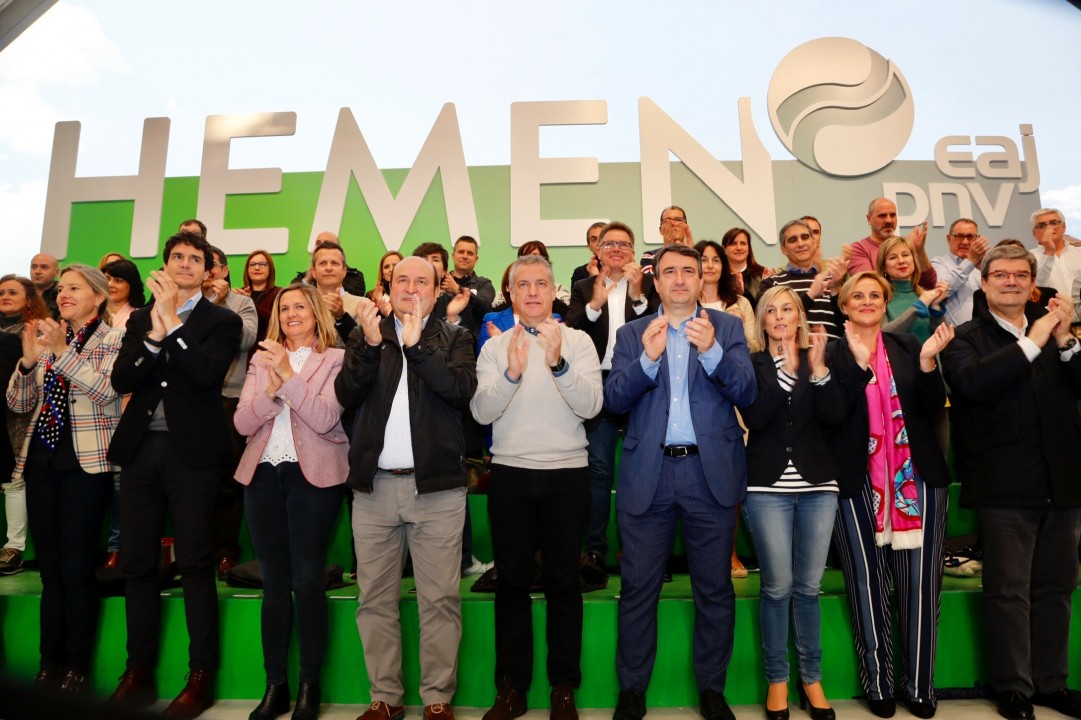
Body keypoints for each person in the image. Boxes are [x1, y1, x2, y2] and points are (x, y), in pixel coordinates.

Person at [604, 244, 755, 720]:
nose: (680, 279)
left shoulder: (726, 327)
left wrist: (712, 352)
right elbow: (614, 400)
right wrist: (646, 361)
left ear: (701, 277)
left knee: (714, 591)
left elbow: (747, 391)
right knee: (638, 590)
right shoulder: (632, 334)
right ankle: (632, 690)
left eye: (689, 270)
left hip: (708, 475)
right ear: (656, 280)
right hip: (648, 474)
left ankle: (712, 689)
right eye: (669, 271)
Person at [941, 243, 1081, 720]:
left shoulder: (1055, 331)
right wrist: (1034, 340)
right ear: (984, 284)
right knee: (1008, 592)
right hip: (1004, 487)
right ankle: (1013, 688)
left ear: (1032, 283)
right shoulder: (965, 337)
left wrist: (1064, 341)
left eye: (1020, 275)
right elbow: (972, 384)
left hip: (1062, 483)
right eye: (1000, 275)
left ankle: (1051, 684)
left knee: (1056, 588)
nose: (1011, 282)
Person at [106, 231, 242, 719]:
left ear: (207, 270)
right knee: (138, 563)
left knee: (195, 562)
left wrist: (174, 324)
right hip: (141, 450)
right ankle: (137, 672)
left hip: (193, 455)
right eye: (177, 257)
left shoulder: (223, 320)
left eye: (194, 258)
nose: (185, 263)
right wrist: (154, 333)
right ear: (165, 266)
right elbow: (123, 378)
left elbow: (206, 374)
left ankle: (200, 675)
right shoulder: (141, 318)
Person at [334, 256, 477, 720]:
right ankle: (385, 698)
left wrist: (417, 349)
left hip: (436, 491)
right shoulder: (366, 334)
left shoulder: (454, 337)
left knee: (440, 600)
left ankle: (437, 698)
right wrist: (370, 347)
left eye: (422, 281)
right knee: (374, 600)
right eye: (402, 280)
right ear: (387, 287)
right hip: (373, 491)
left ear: (436, 291)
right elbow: (345, 395)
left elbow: (461, 392)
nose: (411, 288)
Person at [470, 254, 603, 720]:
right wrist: (511, 373)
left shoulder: (578, 341)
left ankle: (563, 688)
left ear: (553, 290)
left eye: (540, 284)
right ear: (509, 293)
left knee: (565, 583)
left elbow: (592, 406)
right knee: (512, 585)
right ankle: (511, 689)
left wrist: (558, 363)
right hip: (510, 474)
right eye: (522, 284)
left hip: (567, 475)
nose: (531, 292)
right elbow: (481, 412)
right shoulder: (495, 347)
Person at [825, 272, 954, 719]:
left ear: (885, 304)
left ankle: (920, 687)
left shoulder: (908, 346)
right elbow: (830, 415)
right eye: (857, 296)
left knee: (921, 587)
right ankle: (878, 684)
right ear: (844, 306)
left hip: (916, 481)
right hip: (856, 483)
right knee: (866, 583)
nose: (866, 302)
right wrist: (859, 368)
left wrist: (929, 364)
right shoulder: (829, 354)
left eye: (875, 296)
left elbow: (932, 408)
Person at [234, 283, 348, 720]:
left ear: (316, 312)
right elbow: (243, 423)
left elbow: (324, 418)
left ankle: (308, 686)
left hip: (313, 477)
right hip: (261, 475)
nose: (291, 314)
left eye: (300, 306)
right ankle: (275, 686)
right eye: (284, 308)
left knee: (307, 580)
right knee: (274, 585)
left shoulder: (335, 359)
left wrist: (289, 376)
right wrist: (271, 390)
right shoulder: (261, 359)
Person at [7, 264, 122, 694]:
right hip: (41, 462)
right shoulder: (47, 337)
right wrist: (27, 363)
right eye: (62, 290)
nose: (64, 295)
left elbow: (107, 393)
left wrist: (63, 352)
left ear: (99, 296)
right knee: (50, 571)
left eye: (75, 288)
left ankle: (76, 667)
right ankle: (48, 664)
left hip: (85, 466)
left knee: (76, 568)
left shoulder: (114, 339)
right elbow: (19, 403)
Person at [739, 285, 842, 720]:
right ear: (762, 320)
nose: (780, 316)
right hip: (766, 488)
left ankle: (811, 679)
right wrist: (784, 372)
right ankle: (777, 679)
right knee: (777, 586)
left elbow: (836, 416)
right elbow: (757, 417)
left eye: (788, 309)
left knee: (808, 588)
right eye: (771, 310)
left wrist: (817, 373)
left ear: (800, 316)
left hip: (818, 485)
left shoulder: (821, 356)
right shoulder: (752, 363)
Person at [565, 221, 657, 578]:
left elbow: (658, 329)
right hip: (598, 384)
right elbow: (571, 330)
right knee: (599, 471)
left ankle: (645, 552)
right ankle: (594, 552)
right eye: (609, 244)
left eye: (623, 244)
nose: (617, 249)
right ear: (598, 251)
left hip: (640, 381)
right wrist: (595, 304)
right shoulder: (583, 287)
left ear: (633, 251)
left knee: (643, 469)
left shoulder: (649, 285)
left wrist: (637, 297)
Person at [204, 245, 258, 577]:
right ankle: (194, 549)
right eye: (203, 264)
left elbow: (246, 339)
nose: (207, 271)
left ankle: (225, 550)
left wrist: (221, 305)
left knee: (228, 479)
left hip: (229, 398)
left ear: (224, 270)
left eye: (212, 265)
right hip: (190, 400)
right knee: (192, 479)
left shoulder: (241, 303)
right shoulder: (183, 304)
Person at [0, 275, 49, 575]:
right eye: (1, 292)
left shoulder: (37, 329)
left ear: (29, 298)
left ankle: (14, 548)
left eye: (12, 292)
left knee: (14, 479)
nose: (4, 296)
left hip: (22, 414)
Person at [759, 220, 847, 339]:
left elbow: (847, 327)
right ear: (783, 249)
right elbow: (767, 323)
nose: (800, 244)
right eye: (793, 240)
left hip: (831, 350)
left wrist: (836, 289)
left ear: (814, 243)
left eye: (805, 237)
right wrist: (810, 295)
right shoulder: (772, 283)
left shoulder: (834, 281)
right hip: (789, 350)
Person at [847, 199, 937, 290]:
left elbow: (929, 284)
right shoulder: (858, 249)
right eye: (882, 216)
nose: (889, 220)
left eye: (893, 215)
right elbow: (870, 286)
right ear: (869, 219)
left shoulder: (905, 244)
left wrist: (920, 252)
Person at [876, 237, 948, 342]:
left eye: (905, 255)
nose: (901, 261)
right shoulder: (880, 297)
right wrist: (918, 307)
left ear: (914, 260)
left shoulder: (924, 295)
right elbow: (883, 336)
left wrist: (935, 307)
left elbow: (943, 339)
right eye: (893, 257)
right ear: (884, 267)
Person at [695, 240, 756, 350]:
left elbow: (754, 348)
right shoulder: (687, 305)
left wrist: (739, 328)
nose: (710, 266)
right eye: (703, 260)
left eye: (716, 260)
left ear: (723, 266)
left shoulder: (741, 303)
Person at [929, 219, 989, 327]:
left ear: (977, 239)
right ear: (949, 239)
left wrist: (985, 270)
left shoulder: (985, 266)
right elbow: (941, 291)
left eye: (970, 236)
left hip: (985, 332)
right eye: (959, 236)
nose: (965, 242)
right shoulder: (938, 263)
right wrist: (970, 261)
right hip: (954, 334)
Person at [1031, 207, 1081, 322]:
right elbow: (1036, 291)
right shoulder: (1029, 259)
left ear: (1064, 227)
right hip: (1054, 324)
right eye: (1042, 225)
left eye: (1053, 223)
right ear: (1034, 233)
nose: (1049, 228)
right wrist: (1049, 251)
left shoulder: (1079, 252)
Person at [292, 231, 366, 297]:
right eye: (318, 243)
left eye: (327, 243)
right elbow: (292, 295)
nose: (328, 268)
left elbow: (355, 296)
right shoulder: (304, 277)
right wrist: (307, 279)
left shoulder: (354, 275)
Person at [237, 249, 282, 359]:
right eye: (252, 264)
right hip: (240, 355)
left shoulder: (279, 294)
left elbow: (276, 322)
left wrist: (250, 303)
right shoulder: (239, 294)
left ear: (270, 269)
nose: (257, 268)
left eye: (262, 264)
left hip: (267, 353)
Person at [721, 227, 771, 309]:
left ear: (748, 249)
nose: (739, 248)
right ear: (724, 249)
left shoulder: (761, 274)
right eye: (733, 243)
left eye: (743, 243)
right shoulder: (719, 276)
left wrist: (767, 287)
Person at [640, 206, 693, 273]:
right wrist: (667, 250)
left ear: (686, 227)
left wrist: (690, 254)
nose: (673, 224)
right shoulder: (650, 256)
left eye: (678, 219)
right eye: (667, 221)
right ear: (660, 230)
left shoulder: (698, 255)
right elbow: (649, 277)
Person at [102, 259, 146, 332]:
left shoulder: (141, 317)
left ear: (132, 285)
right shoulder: (92, 311)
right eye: (107, 279)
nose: (110, 284)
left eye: (118, 280)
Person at [367, 250, 404, 317]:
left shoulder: (410, 294)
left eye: (395, 265)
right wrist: (377, 306)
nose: (391, 269)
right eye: (386, 267)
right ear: (382, 273)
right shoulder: (371, 296)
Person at [570, 222, 607, 286]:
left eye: (602, 238)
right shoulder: (580, 273)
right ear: (589, 246)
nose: (598, 243)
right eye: (594, 239)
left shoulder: (623, 269)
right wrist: (593, 279)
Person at [31, 252, 61, 319]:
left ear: (56, 272)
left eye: (44, 267)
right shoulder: (23, 292)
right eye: (34, 267)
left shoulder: (62, 294)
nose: (37, 271)